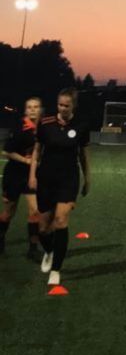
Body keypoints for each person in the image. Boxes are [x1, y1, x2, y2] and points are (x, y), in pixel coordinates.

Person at [28, 89, 91, 288]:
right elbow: (37, 151)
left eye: (66, 105)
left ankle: (56, 269)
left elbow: (83, 155)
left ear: (74, 106)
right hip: (46, 179)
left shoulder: (81, 125)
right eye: (60, 105)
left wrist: (88, 178)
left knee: (61, 221)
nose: (62, 109)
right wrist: (32, 175)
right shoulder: (45, 124)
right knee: (44, 228)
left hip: (68, 179)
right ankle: (49, 251)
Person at [0, 97, 43, 258]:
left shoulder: (43, 128)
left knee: (35, 211)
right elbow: (6, 151)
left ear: (40, 109)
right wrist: (26, 160)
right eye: (30, 107)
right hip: (14, 174)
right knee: (9, 212)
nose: (33, 109)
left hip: (32, 175)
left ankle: (33, 248)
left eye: (36, 107)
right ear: (26, 110)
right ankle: (1, 239)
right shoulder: (19, 127)